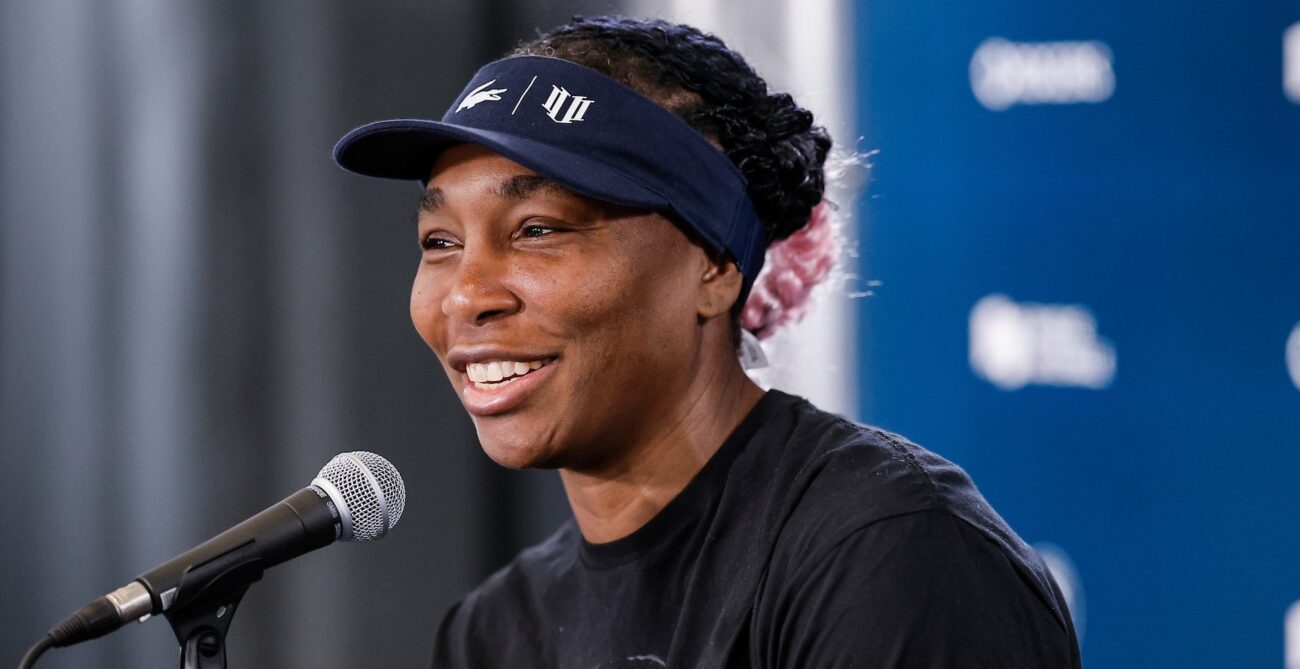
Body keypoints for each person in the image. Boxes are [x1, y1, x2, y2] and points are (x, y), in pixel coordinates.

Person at [334, 16, 1082, 668]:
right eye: (439, 241)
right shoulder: (490, 634)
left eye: (537, 230)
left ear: (716, 267)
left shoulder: (889, 553)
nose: (467, 293)